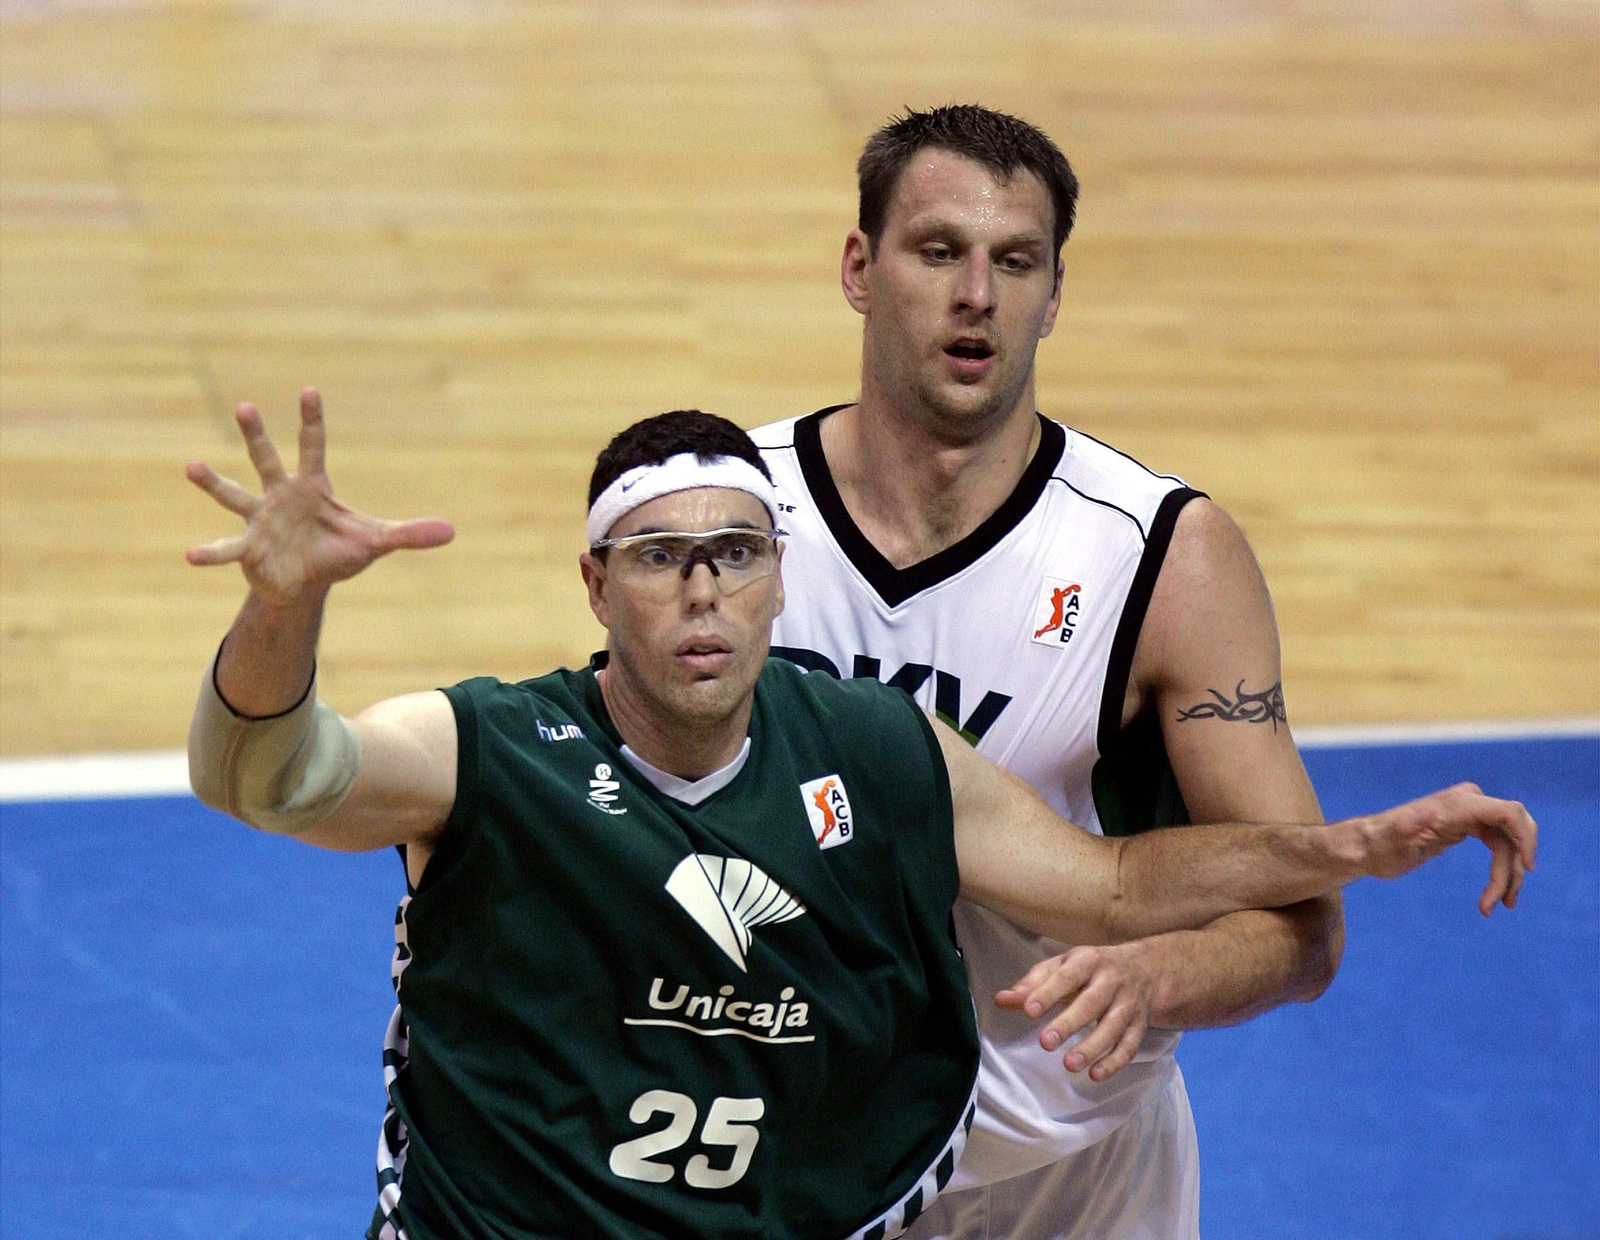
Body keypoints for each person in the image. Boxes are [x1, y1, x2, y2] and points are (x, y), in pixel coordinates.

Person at [184, 395, 1533, 1239]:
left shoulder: (880, 757)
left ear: (783, 582)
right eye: (662, 560)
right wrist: (282, 608)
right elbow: (266, 776)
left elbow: (1115, 887)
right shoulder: (490, 748)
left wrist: (1345, 847)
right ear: (596, 587)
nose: (704, 592)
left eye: (738, 555)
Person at [750, 104, 1530, 1239]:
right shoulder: (731, 513)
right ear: (859, 268)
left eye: (1016, 261)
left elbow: (1304, 931)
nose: (977, 294)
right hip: (790, 1160)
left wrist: (1159, 976)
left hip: (1065, 1183)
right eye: (938, 252)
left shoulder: (1165, 559)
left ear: (1055, 294)